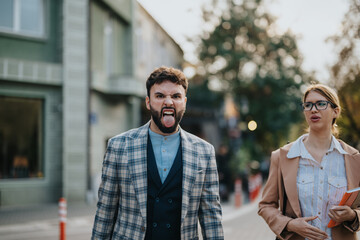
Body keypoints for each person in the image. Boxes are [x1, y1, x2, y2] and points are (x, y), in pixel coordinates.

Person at [92, 66, 224, 240]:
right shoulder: (119, 146)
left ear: (184, 101)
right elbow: (105, 210)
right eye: (160, 96)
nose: (168, 102)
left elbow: (211, 216)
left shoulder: (204, 151)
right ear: (148, 102)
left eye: (176, 96)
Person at [258, 84, 360, 240]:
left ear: (335, 111)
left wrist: (353, 215)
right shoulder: (282, 157)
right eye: (308, 105)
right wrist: (290, 224)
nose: (313, 109)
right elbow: (266, 205)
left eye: (321, 104)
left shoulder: (354, 158)